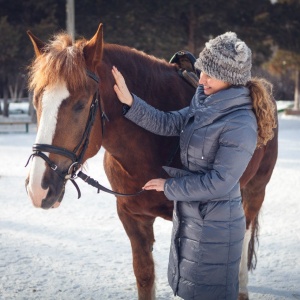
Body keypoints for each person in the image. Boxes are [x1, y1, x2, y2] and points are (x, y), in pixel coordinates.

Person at [112, 32, 276, 300]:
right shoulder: (205, 104)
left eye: (209, 74)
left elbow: (219, 182)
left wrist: (169, 186)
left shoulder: (240, 123)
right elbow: (167, 123)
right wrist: (131, 102)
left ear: (230, 79)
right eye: (202, 71)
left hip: (217, 231)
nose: (201, 79)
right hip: (196, 222)